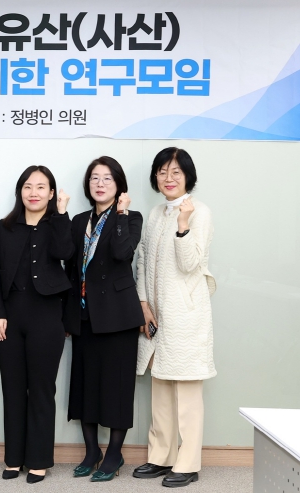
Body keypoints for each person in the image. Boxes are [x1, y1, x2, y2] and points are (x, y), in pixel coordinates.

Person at [132, 147, 216, 488]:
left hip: (185, 316)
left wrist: (183, 224)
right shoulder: (155, 213)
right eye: (162, 171)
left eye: (176, 172)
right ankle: (161, 456)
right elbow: (142, 260)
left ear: (187, 177)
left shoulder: (200, 212)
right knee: (161, 388)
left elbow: (190, 263)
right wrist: (143, 303)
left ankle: (188, 463)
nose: (168, 178)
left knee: (187, 392)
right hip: (156, 317)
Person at [0, 166, 73, 484]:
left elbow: (65, 252)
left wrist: (60, 214)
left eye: (41, 187)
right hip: (9, 318)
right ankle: (14, 458)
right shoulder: (6, 227)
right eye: (27, 186)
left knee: (41, 390)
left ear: (51, 193)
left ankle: (38, 460)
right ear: (19, 191)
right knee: (12, 389)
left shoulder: (58, 224)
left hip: (47, 317)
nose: (33, 192)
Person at [63, 157, 145, 482]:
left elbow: (123, 253)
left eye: (107, 178)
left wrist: (121, 214)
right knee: (85, 385)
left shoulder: (131, 218)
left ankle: (114, 453)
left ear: (119, 185)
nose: (100, 184)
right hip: (83, 315)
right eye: (94, 178)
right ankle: (91, 451)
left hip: (119, 316)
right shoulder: (78, 221)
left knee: (117, 387)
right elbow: (69, 265)